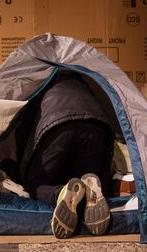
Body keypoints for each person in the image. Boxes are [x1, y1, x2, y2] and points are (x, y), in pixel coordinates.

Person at [20, 73, 114, 239]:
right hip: (97, 128)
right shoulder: (83, 79)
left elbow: (25, 127)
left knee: (34, 184)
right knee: (88, 174)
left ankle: (61, 193)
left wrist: (24, 164)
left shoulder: (41, 80)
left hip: (58, 129)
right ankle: (89, 185)